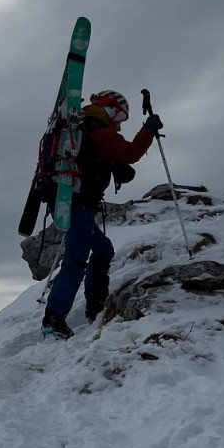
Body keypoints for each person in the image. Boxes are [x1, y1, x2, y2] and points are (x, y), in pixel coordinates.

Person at [42, 91, 160, 339]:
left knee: (103, 248)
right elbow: (131, 152)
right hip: (80, 206)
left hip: (64, 200)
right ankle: (53, 320)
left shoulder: (79, 129)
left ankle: (95, 306)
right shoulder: (98, 131)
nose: (119, 124)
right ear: (111, 110)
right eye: (120, 117)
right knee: (75, 260)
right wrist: (148, 129)